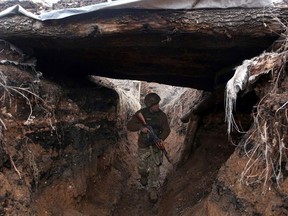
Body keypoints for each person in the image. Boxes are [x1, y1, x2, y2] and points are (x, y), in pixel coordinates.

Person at [127, 93, 171, 203]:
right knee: (141, 168)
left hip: (155, 146)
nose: (158, 106)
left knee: (155, 169)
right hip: (143, 146)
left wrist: (160, 139)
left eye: (158, 104)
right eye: (155, 104)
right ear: (149, 105)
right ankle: (143, 176)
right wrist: (141, 127)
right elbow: (129, 126)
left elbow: (167, 130)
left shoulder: (162, 116)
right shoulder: (141, 114)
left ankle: (153, 190)